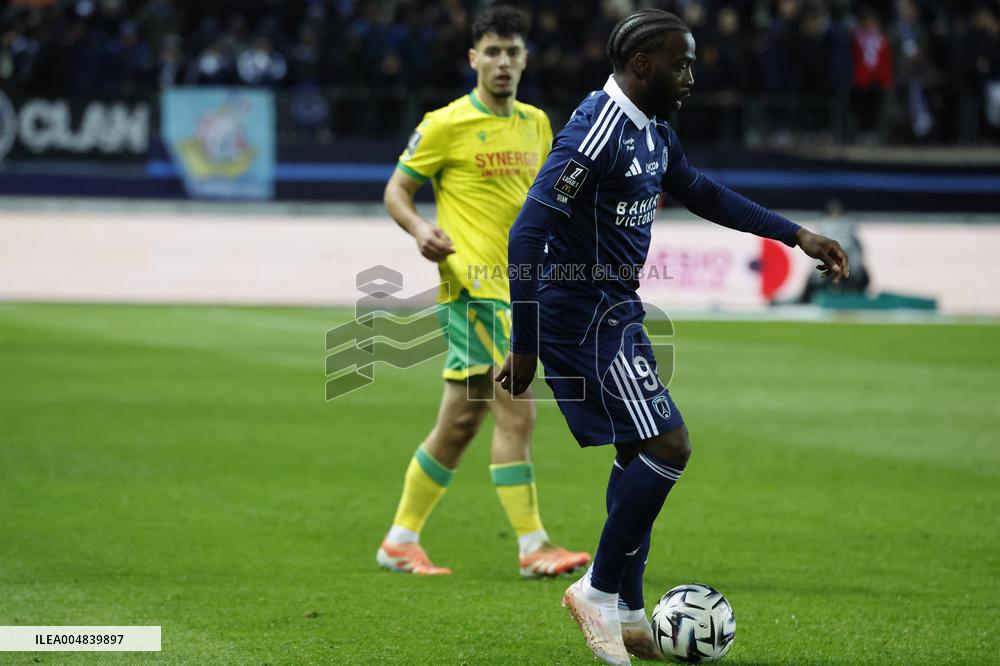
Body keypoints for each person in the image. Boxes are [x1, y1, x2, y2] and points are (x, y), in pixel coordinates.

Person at [496, 9, 849, 665]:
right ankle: (597, 591)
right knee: (670, 444)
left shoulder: (654, 127)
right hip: (580, 313)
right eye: (682, 63)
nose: (691, 76)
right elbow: (526, 234)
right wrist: (525, 341)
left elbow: (701, 191)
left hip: (615, 310)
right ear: (643, 65)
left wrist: (794, 233)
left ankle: (630, 613)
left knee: (639, 449)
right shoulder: (595, 131)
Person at [377, 5, 590, 579]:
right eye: (492, 52)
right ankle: (533, 546)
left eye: (512, 52)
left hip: (522, 289)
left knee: (459, 423)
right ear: (473, 58)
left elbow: (551, 198)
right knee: (518, 413)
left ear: (525, 59)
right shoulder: (444, 124)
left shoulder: (537, 124)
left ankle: (400, 539)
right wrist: (420, 229)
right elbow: (397, 190)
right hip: (476, 290)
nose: (502, 62)